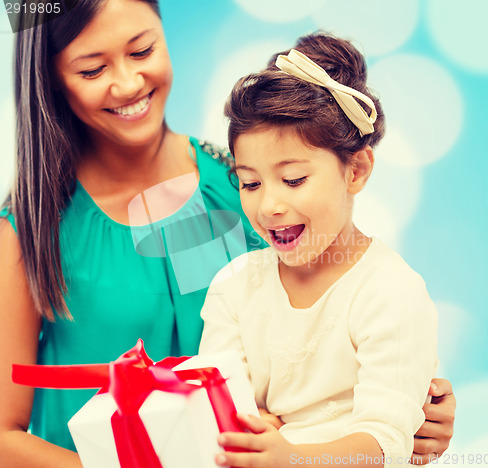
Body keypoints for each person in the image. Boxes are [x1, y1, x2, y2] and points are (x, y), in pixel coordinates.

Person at [0, 0, 454, 466]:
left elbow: (333, 340)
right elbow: (2, 435)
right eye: (93, 69)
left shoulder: (239, 182)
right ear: (50, 78)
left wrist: (415, 398)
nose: (129, 82)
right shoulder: (27, 231)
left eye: (142, 51)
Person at [198, 33, 452, 468]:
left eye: (294, 179)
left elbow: (386, 441)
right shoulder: (235, 286)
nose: (270, 206)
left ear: (355, 169)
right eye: (250, 183)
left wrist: (291, 457)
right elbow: (214, 410)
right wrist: (251, 426)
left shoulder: (390, 292)